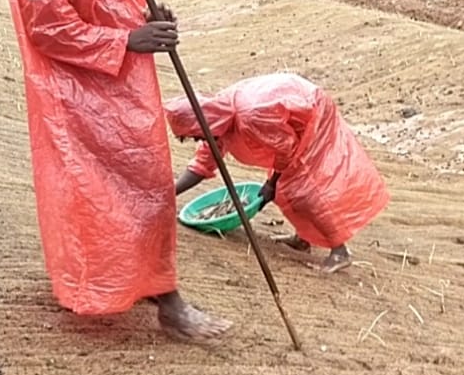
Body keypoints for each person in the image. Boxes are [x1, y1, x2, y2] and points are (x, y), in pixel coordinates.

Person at [5, 0, 231, 342]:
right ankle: (158, 300)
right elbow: (47, 28)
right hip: (75, 100)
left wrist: (149, 18)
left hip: (126, 93)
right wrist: (129, 38)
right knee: (92, 197)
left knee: (147, 192)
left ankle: (151, 288)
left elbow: (113, 0)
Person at [165, 72, 391, 274]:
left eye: (195, 135)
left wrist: (272, 182)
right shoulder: (216, 116)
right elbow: (203, 163)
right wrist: (168, 195)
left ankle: (340, 252)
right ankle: (303, 238)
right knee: (287, 186)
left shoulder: (250, 118)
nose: (197, 140)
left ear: (203, 124)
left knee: (301, 190)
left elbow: (286, 148)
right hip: (288, 114)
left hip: (312, 113)